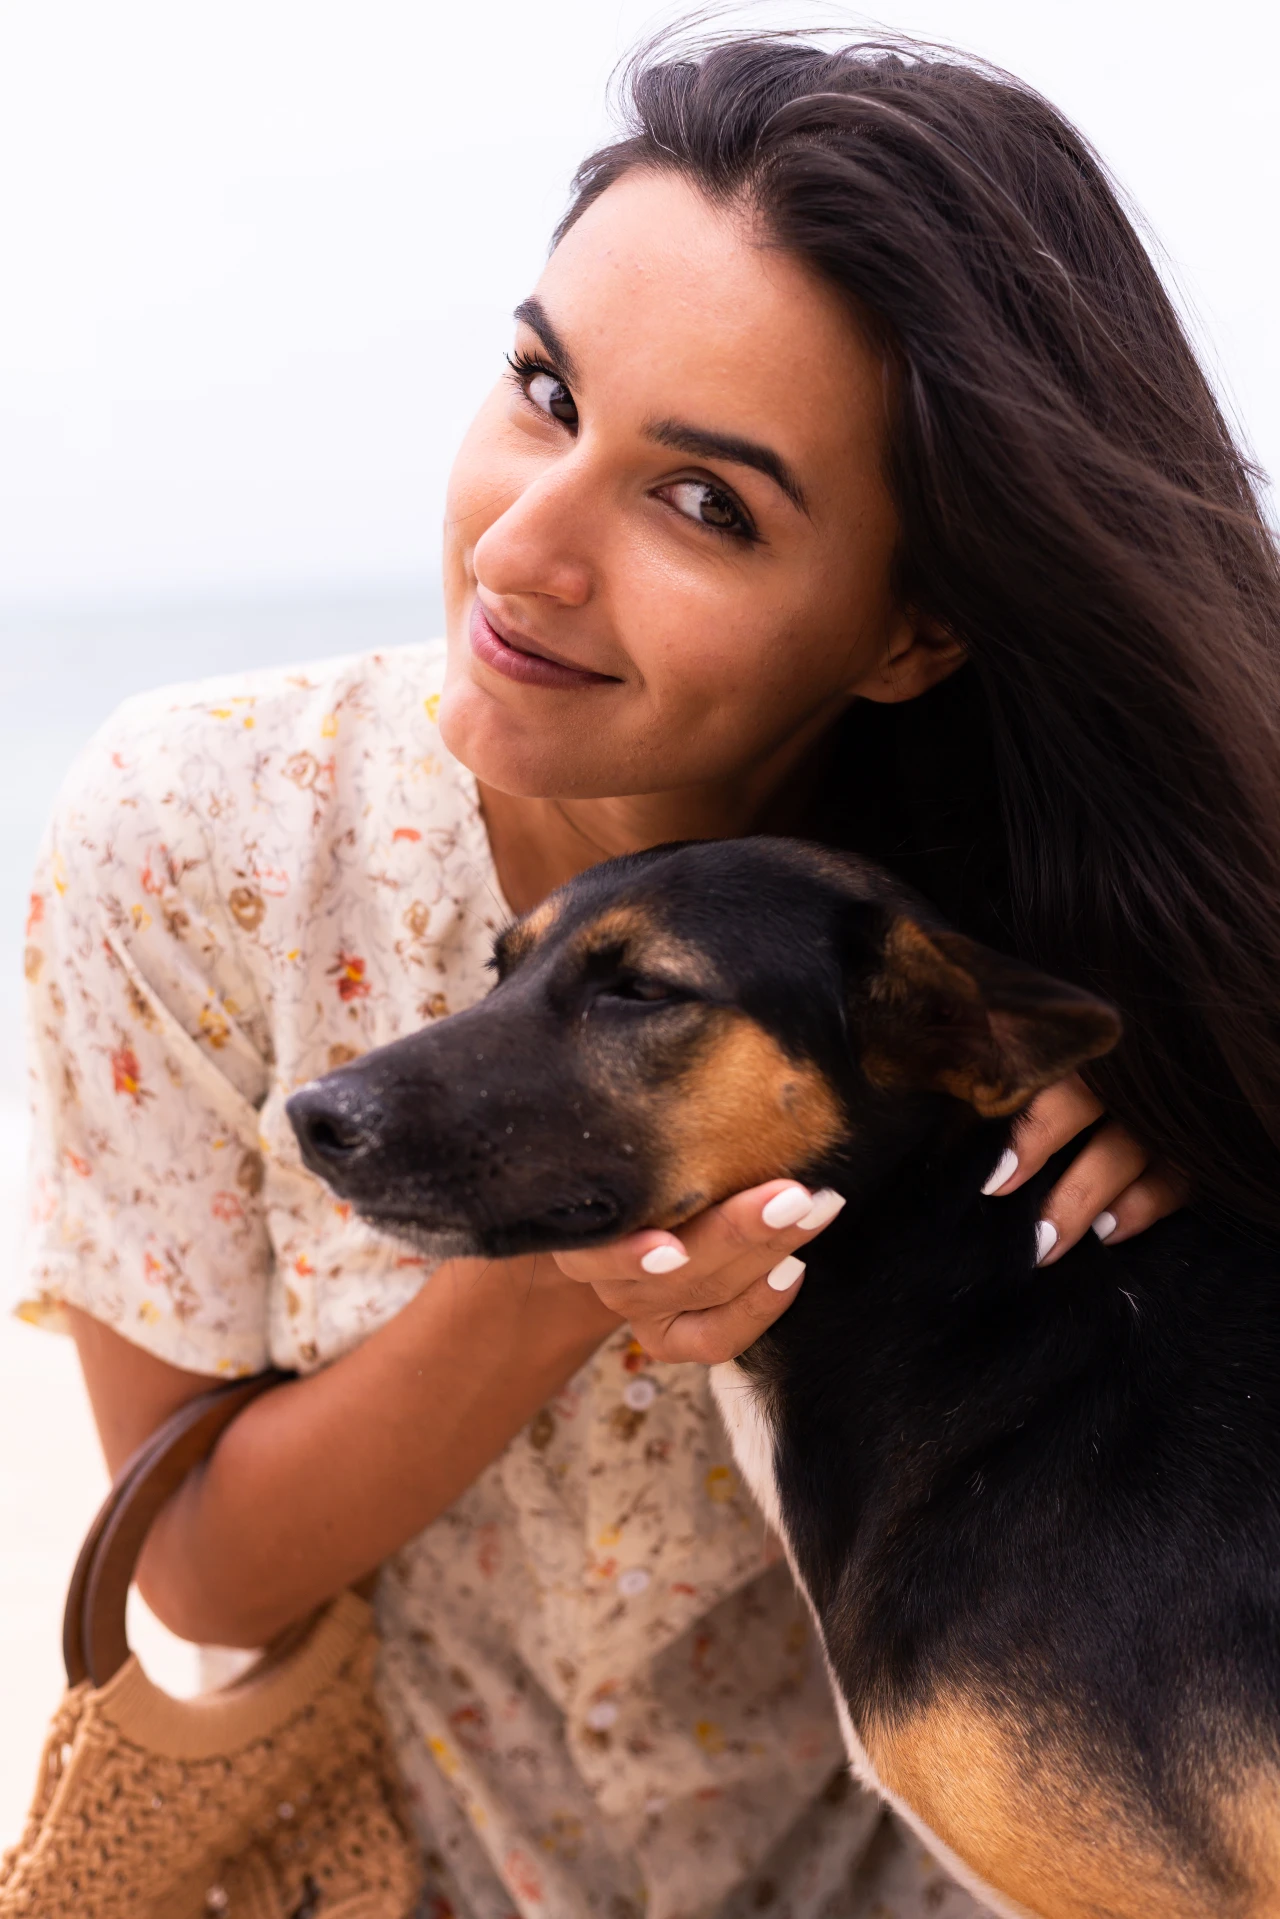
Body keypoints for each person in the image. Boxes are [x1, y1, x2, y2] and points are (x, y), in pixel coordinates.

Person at [20, 30, 1280, 1919]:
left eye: (707, 503)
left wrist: (1224, 1102)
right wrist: (566, 1258)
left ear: (918, 629)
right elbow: (196, 1569)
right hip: (406, 1879)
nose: (520, 548)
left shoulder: (992, 961)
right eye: (544, 390)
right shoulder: (200, 839)